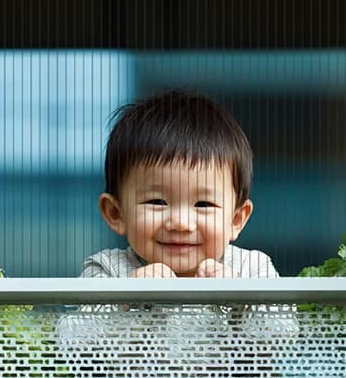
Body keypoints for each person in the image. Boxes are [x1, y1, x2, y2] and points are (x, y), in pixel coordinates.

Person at [79, 89, 278, 279]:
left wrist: (242, 299)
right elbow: (77, 317)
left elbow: (284, 316)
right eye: (157, 201)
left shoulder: (251, 268)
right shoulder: (107, 269)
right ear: (116, 213)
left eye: (203, 204)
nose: (181, 223)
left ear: (236, 220)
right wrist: (129, 299)